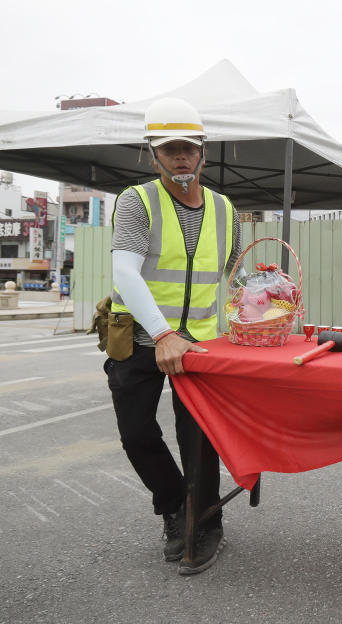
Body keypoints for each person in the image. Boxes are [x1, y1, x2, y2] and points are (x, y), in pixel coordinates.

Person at [105, 97, 241, 575]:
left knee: (198, 439)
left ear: (202, 151)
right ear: (152, 154)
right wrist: (163, 333)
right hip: (141, 340)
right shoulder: (136, 201)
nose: (181, 157)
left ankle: (207, 522)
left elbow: (233, 277)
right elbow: (125, 271)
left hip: (200, 345)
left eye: (188, 147)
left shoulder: (226, 210)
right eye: (170, 149)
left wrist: (265, 300)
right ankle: (175, 508)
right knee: (137, 433)